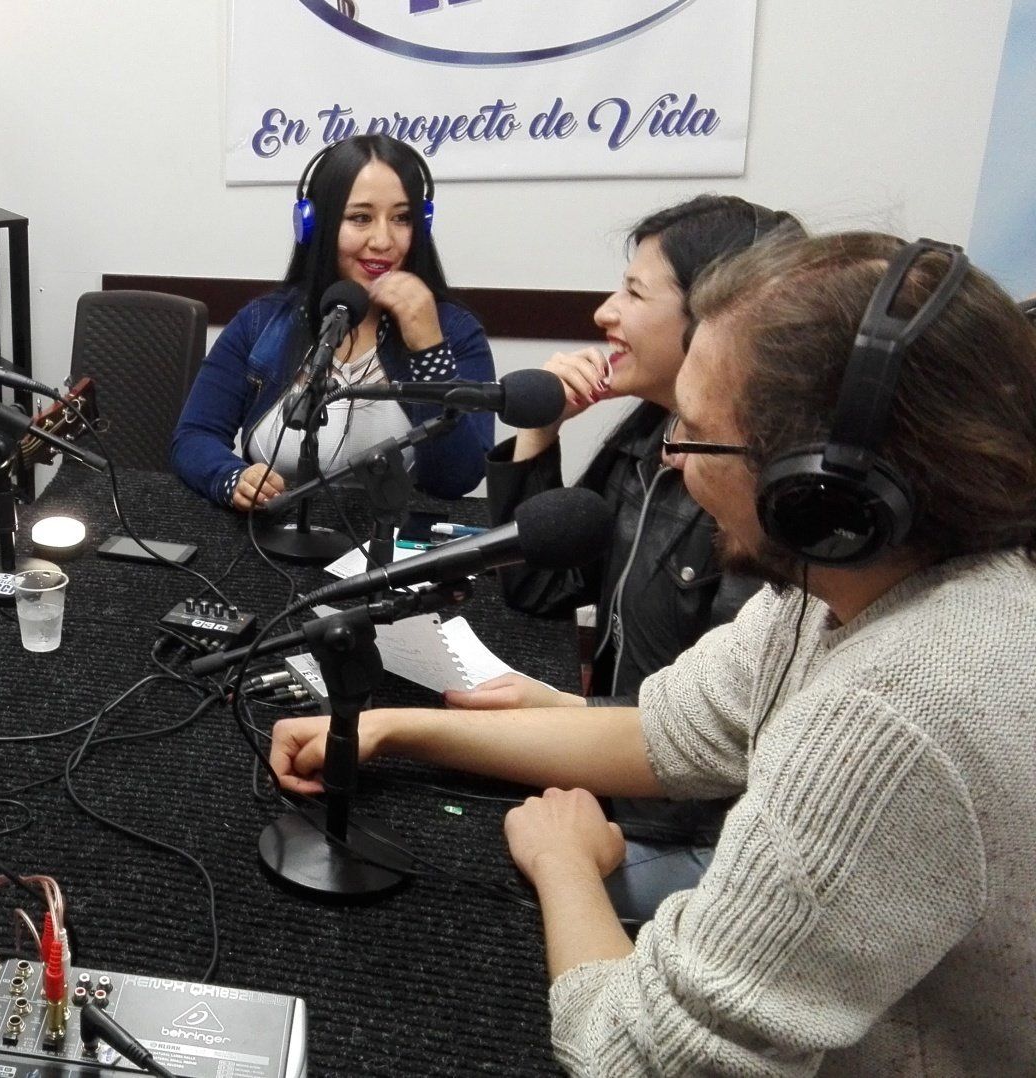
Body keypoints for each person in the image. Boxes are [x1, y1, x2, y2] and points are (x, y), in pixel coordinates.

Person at [272, 232, 1036, 1072]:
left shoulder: (891, 716)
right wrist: (395, 729)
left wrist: (565, 865)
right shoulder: (844, 593)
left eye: (696, 434)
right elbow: (658, 735)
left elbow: (634, 1060)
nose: (669, 457)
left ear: (818, 492)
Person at [458, 195, 802, 918]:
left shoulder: (756, 497)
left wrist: (568, 714)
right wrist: (540, 431)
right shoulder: (651, 434)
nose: (604, 314)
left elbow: (727, 738)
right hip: (612, 776)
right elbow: (541, 592)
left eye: (634, 292)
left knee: (471, 879)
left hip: (687, 832)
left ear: (718, 318)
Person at [171, 134, 495, 512]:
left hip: (388, 551)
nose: (383, 240)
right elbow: (194, 436)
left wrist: (429, 350)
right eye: (360, 218)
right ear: (315, 224)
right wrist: (231, 477)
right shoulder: (262, 323)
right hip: (269, 541)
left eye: (402, 218)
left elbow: (456, 480)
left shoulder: (456, 332)